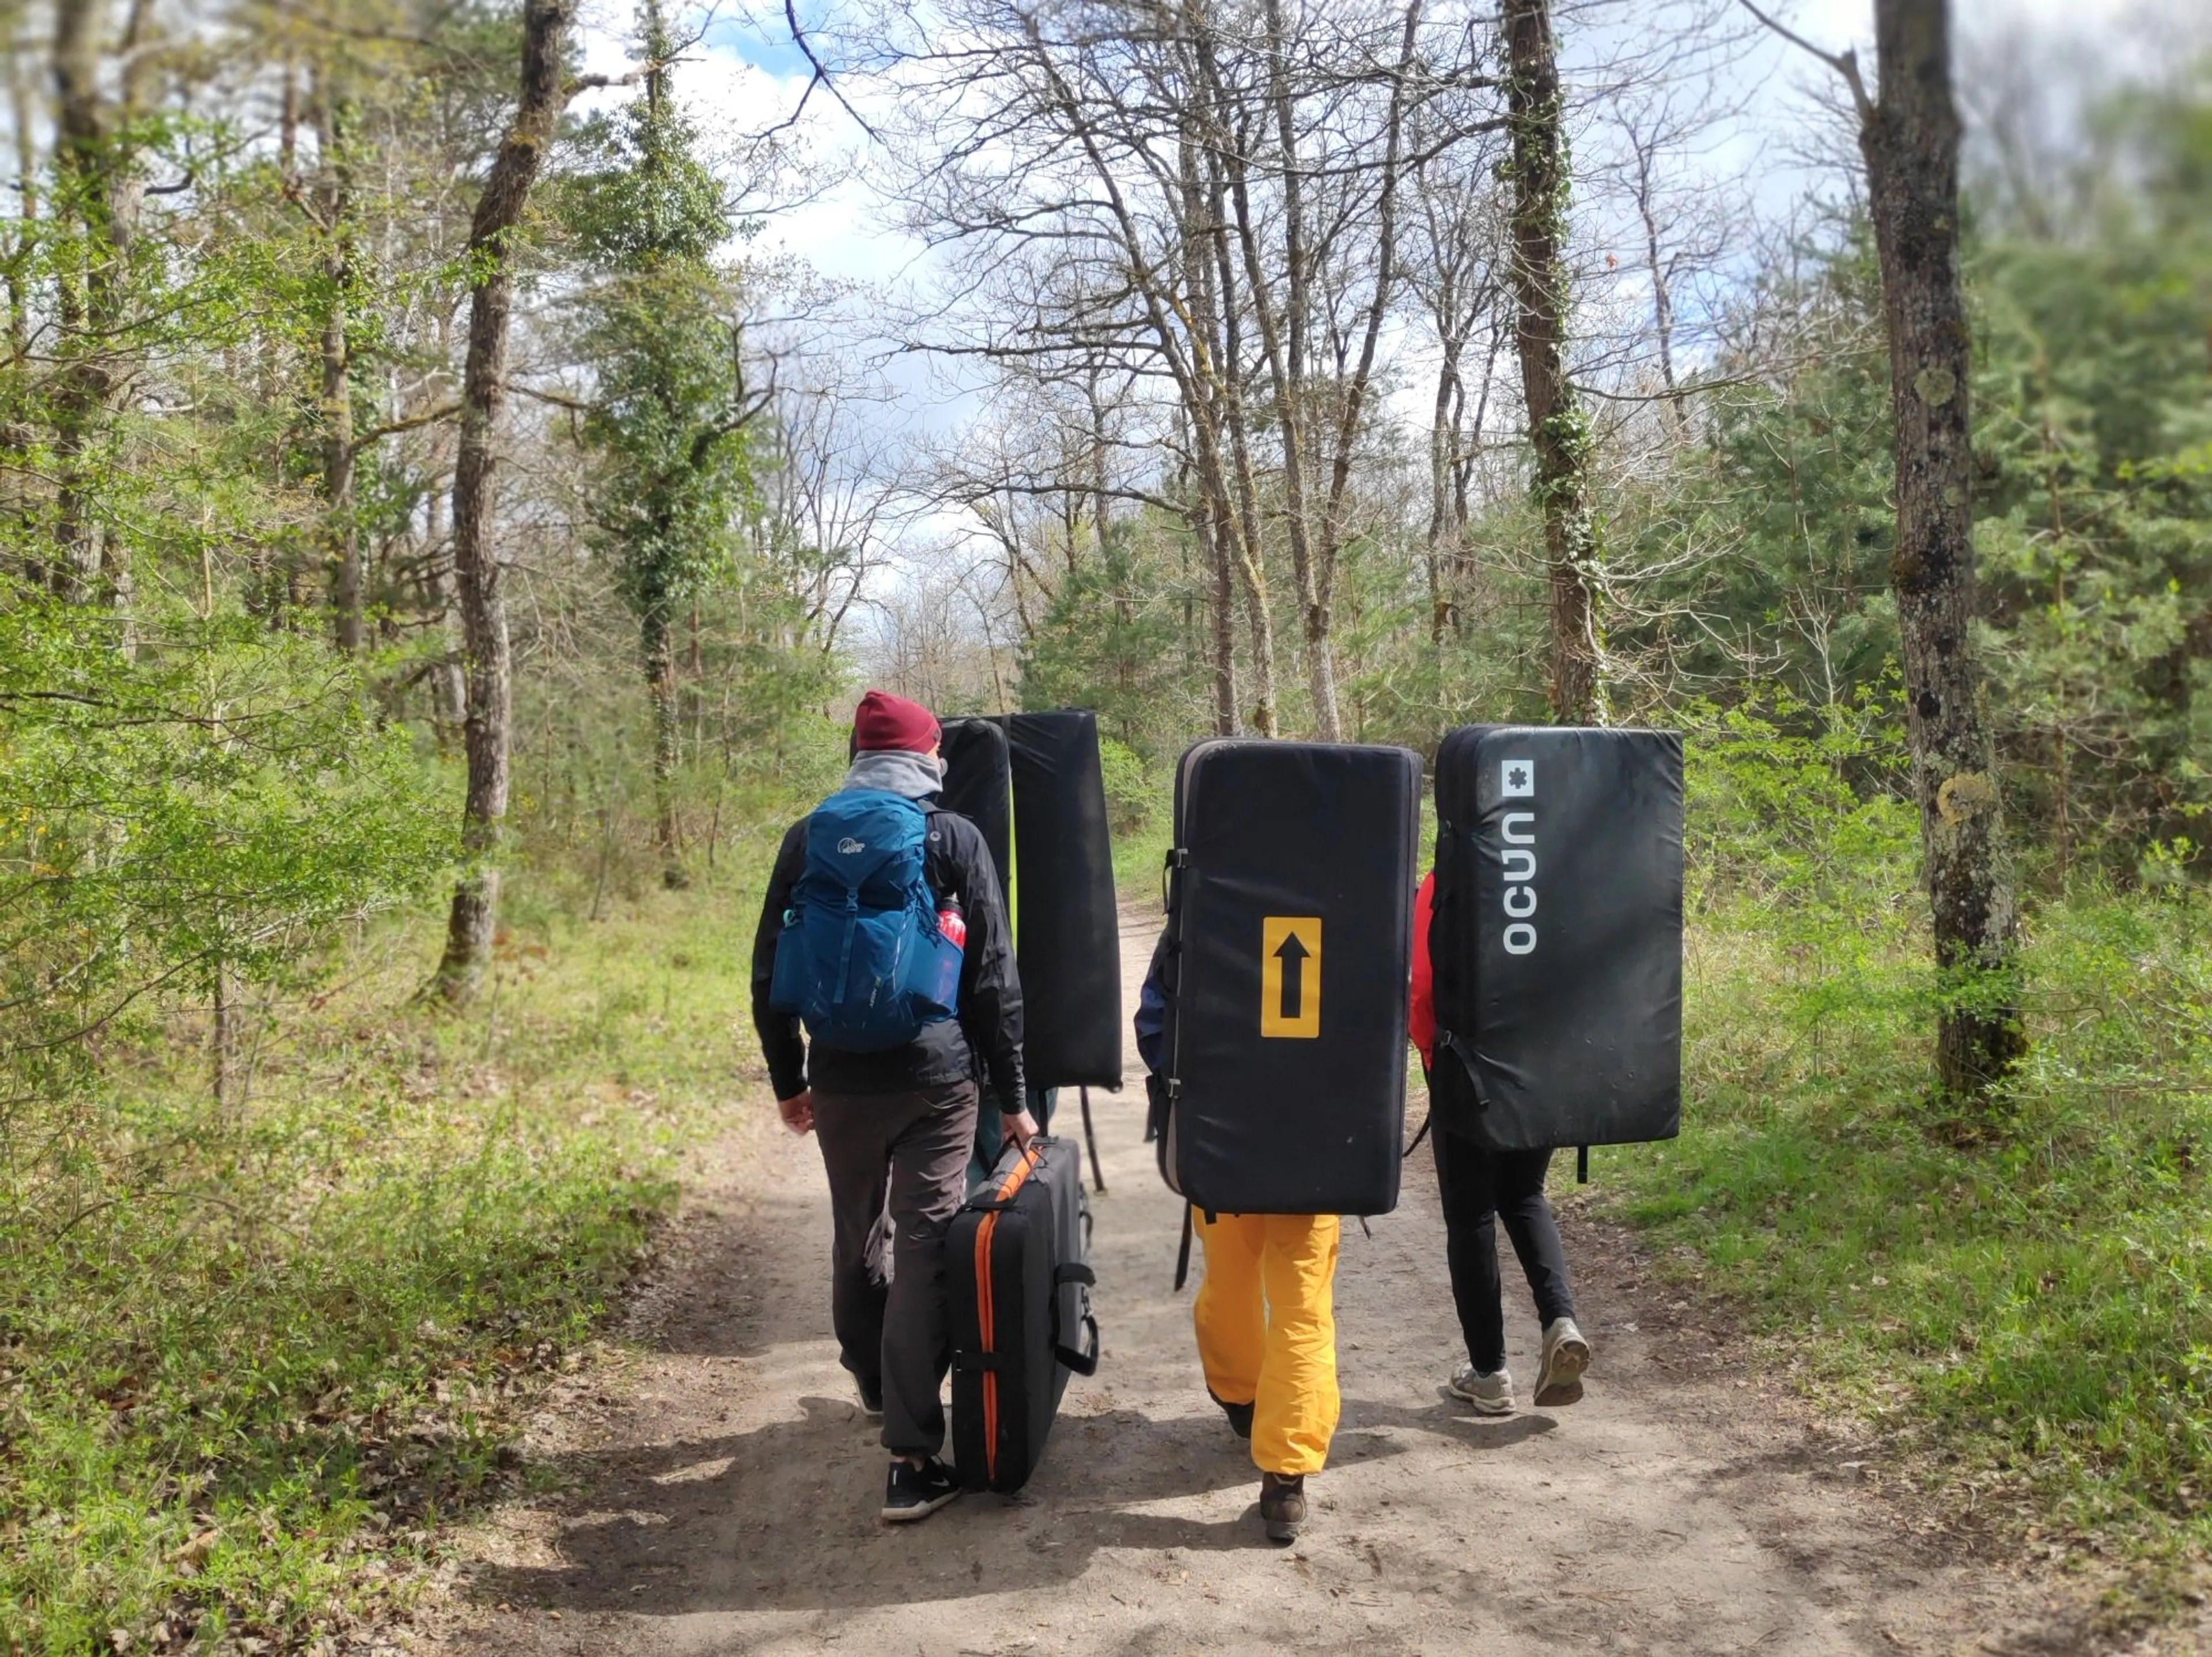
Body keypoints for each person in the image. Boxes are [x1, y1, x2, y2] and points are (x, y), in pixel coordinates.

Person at [751, 689, 1035, 1524]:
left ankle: (874, 1381)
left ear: (857, 757)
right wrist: (1014, 1098)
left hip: (839, 1077)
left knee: (856, 1229)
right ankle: (911, 1459)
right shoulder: (952, 836)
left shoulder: (808, 836)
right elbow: (992, 978)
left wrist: (788, 1080)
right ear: (927, 759)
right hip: (935, 1077)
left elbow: (769, 971)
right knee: (925, 1246)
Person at [1135, 932, 1340, 1545]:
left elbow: (1156, 1023)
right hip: (1318, 1144)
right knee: (1303, 1307)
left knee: (1229, 1280)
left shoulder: (1208, 886)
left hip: (1220, 1140)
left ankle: (1241, 1396)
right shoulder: (1359, 890)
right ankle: (1285, 1478)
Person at [1408, 869, 1590, 1414]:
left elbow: (1421, 983)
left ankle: (1489, 1374)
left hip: (1467, 1074)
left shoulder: (1444, 883)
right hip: (1544, 1068)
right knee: (1524, 1195)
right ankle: (1560, 1320)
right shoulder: (1554, 874)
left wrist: (1433, 1058)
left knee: (1471, 1219)